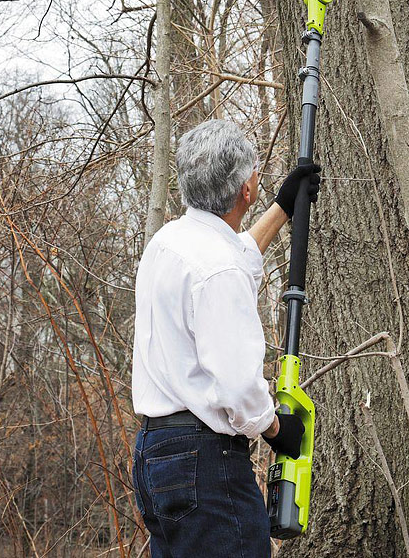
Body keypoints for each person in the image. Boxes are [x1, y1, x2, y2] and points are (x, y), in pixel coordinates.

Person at [131, 118, 321, 557]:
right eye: (256, 174)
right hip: (204, 464)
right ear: (244, 192)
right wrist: (275, 429)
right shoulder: (218, 268)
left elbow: (234, 258)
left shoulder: (168, 243)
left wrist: (282, 208)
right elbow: (237, 387)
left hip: (155, 456)